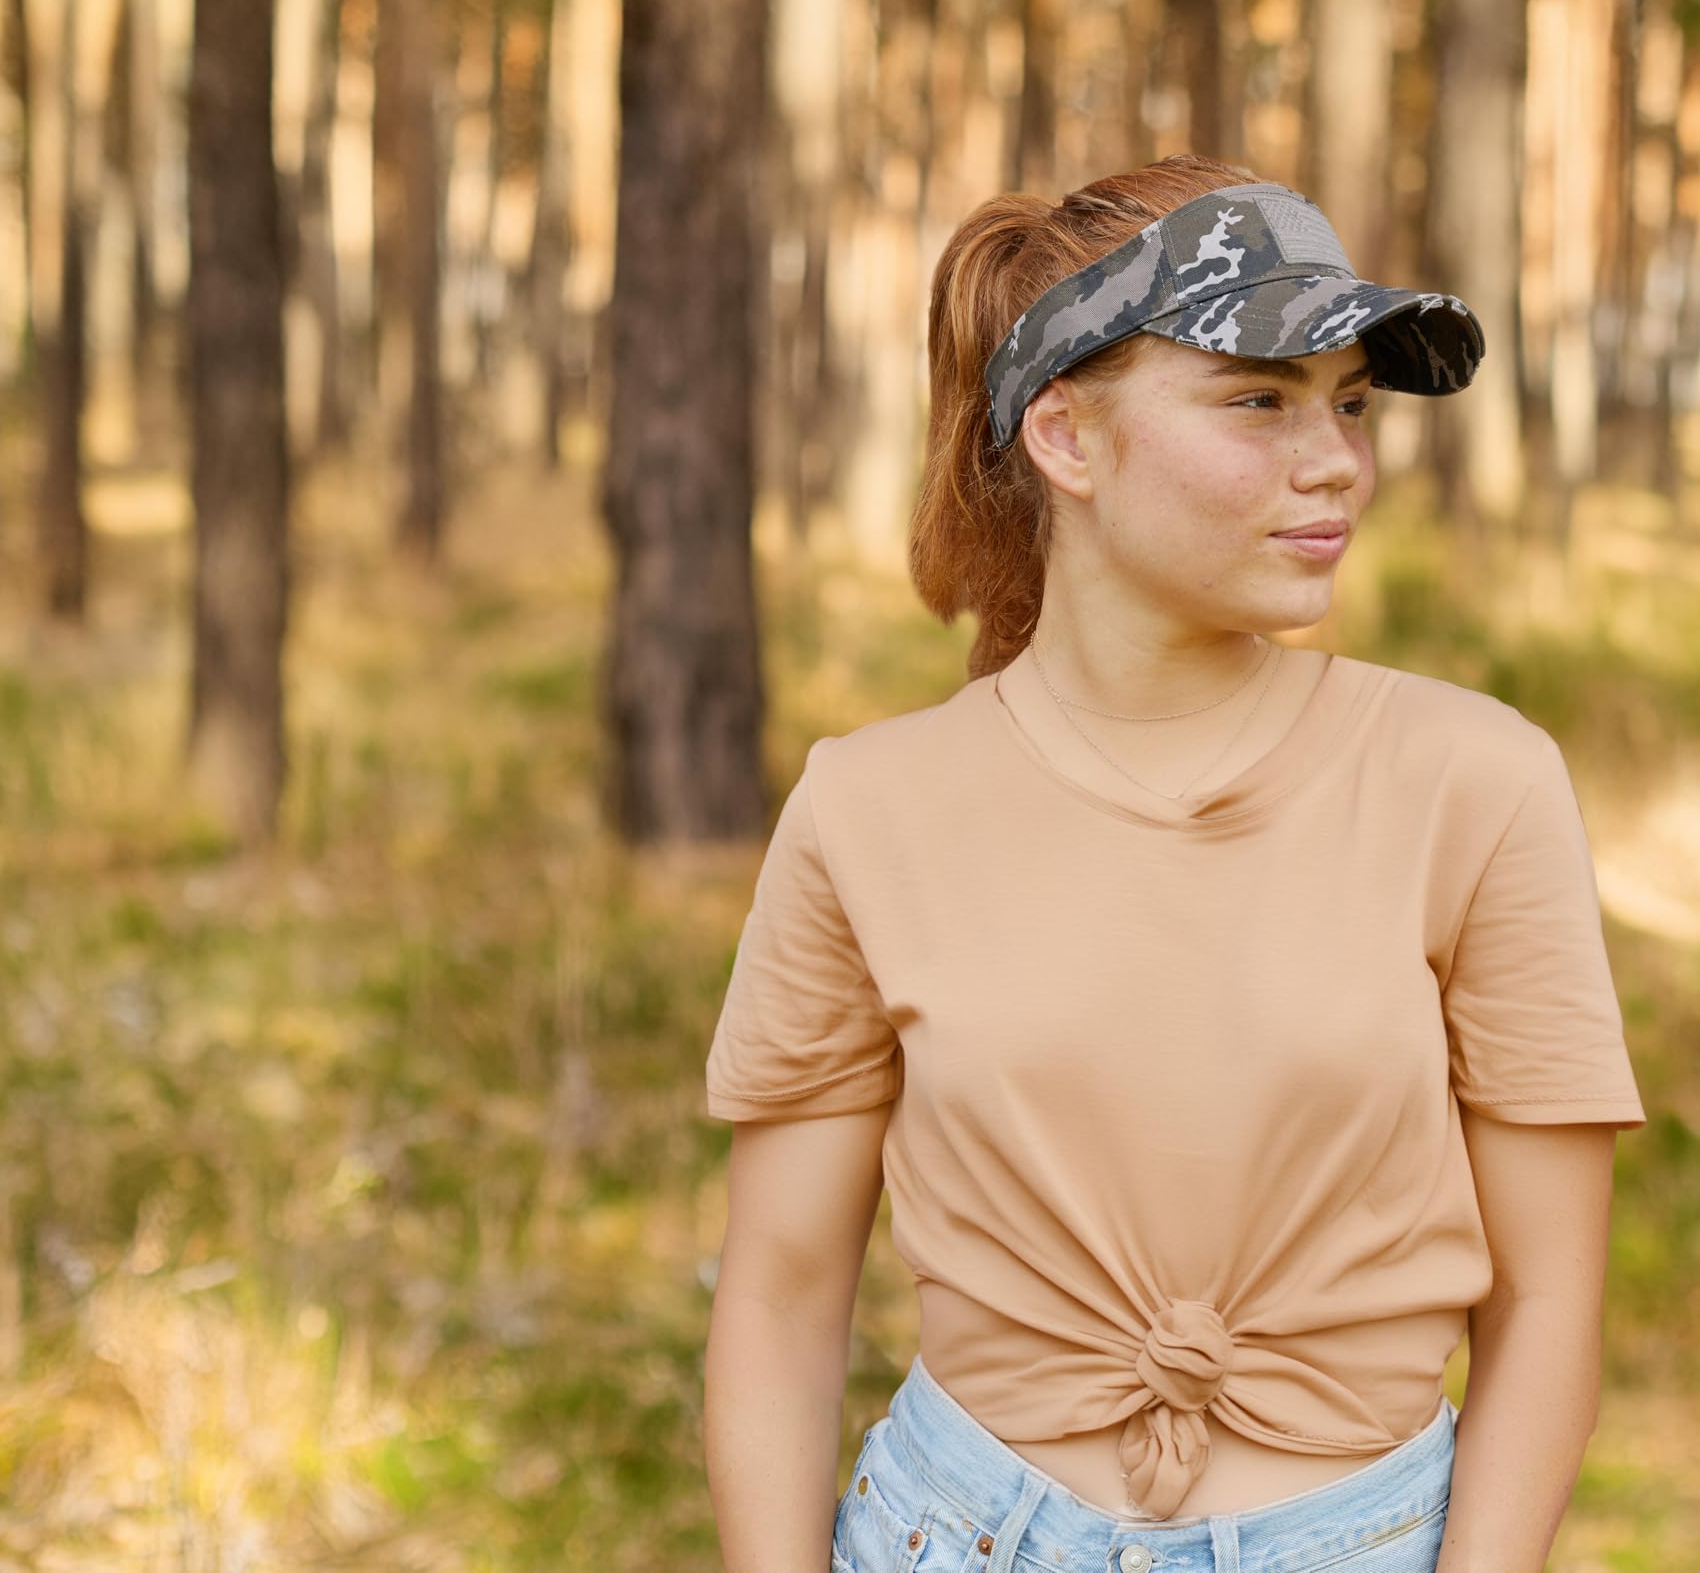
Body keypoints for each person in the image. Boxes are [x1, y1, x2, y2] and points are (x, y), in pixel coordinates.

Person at [702, 155, 1647, 1573]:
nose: (1333, 460)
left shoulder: (1478, 783)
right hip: (954, 1536)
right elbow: (779, 1293)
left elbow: (1551, 1303)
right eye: (1257, 400)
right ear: (1069, 440)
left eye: (1350, 403)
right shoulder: (867, 808)